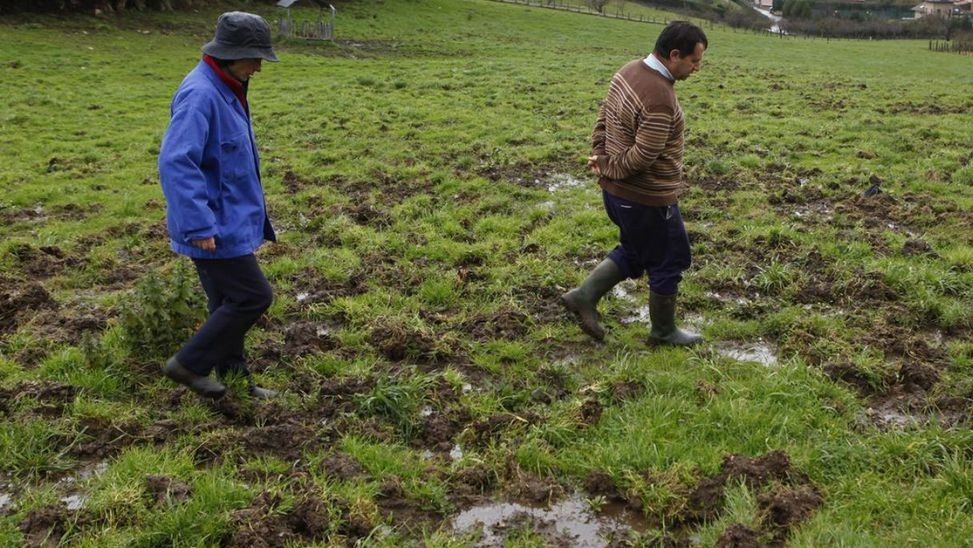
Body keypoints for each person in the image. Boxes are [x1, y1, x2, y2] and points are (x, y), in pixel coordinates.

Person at [561, 21, 707, 346]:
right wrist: (609, 167)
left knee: (637, 249)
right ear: (674, 55)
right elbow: (643, 156)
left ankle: (583, 296)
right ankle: (664, 332)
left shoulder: (628, 70)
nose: (697, 68)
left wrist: (601, 160)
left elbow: (603, 117)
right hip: (646, 198)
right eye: (694, 61)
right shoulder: (660, 97)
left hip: (619, 195)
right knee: (671, 257)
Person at [158, 12, 280, 398]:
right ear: (229, 54)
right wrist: (198, 225)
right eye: (253, 57)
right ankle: (188, 364)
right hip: (212, 225)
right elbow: (176, 161)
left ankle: (236, 381)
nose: (259, 66)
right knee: (253, 296)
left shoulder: (227, 85)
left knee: (227, 302)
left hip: (226, 218)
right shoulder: (202, 94)